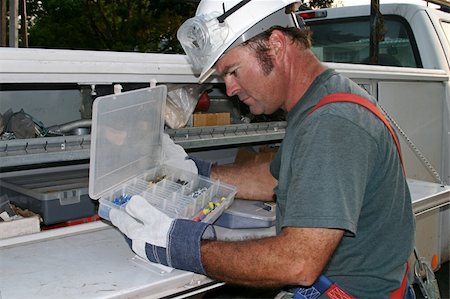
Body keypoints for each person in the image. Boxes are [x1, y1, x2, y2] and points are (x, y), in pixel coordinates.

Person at [110, 0, 416, 298]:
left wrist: (181, 246)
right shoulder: (320, 100)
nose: (229, 89)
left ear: (276, 46)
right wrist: (194, 172)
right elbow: (274, 179)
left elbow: (297, 263)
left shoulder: (331, 122)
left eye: (232, 71)